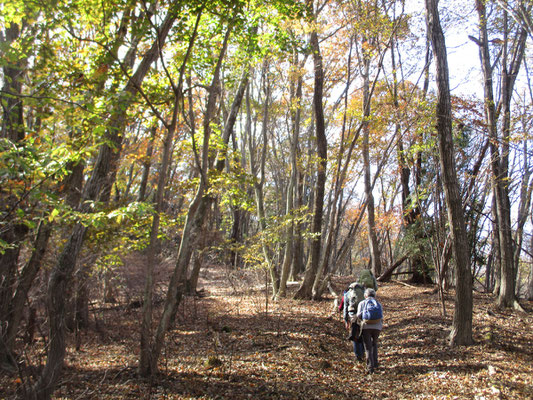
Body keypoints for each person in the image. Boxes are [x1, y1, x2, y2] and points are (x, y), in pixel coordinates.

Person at [356, 288, 383, 374]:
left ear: (365, 295)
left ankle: (370, 367)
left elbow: (359, 315)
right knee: (374, 344)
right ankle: (375, 363)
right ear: (374, 295)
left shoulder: (362, 303)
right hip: (377, 327)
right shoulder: (378, 304)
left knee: (368, 347)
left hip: (366, 327)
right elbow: (381, 317)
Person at [342, 282, 365, 362]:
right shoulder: (363, 292)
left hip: (352, 316)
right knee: (362, 334)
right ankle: (363, 353)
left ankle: (357, 355)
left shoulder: (347, 294)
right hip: (362, 316)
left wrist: (346, 320)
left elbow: (345, 308)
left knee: (354, 335)